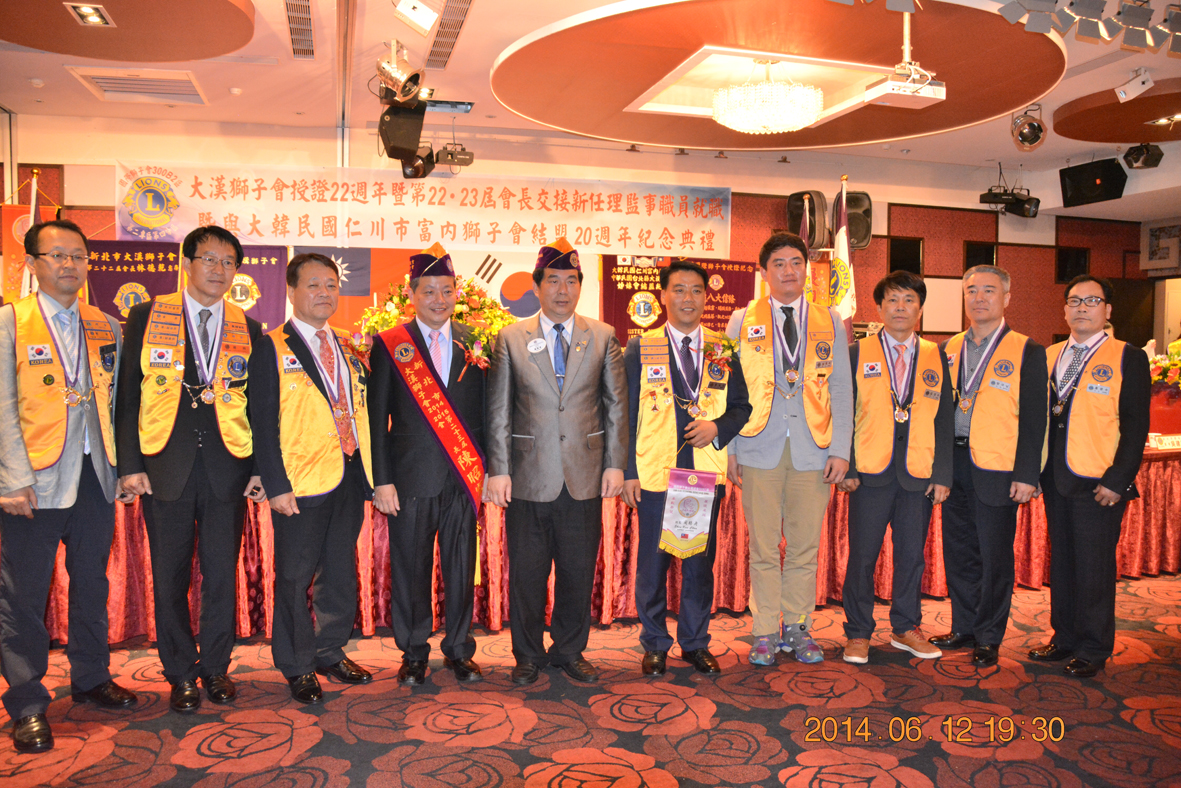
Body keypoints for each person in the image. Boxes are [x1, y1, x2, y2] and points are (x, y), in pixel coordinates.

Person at [116, 225, 265, 713]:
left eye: (228, 262)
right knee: (170, 577)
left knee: (221, 576)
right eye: (209, 259)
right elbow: (128, 395)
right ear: (186, 263)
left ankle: (216, 668)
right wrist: (130, 464)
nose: (219, 270)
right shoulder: (146, 316)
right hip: (165, 467)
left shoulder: (248, 327)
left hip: (227, 469)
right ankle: (180, 672)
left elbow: (259, 404)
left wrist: (258, 468)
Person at [0, 220, 137, 753]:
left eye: (78, 256)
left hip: (94, 477)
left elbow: (119, 404)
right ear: (33, 263)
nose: (69, 265)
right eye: (56, 255)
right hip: (32, 483)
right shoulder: (11, 322)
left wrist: (122, 469)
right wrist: (12, 479)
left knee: (91, 585)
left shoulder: (105, 325)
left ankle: (91, 677)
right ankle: (27, 702)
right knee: (23, 594)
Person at [485, 237, 627, 685]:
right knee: (527, 574)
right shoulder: (510, 338)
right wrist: (499, 469)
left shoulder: (603, 335)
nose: (562, 290)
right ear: (536, 286)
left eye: (571, 281)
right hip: (528, 476)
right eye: (553, 281)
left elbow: (616, 406)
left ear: (581, 286)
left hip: (584, 476)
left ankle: (569, 650)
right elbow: (498, 410)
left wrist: (615, 464)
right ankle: (526, 654)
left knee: (577, 571)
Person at [249, 253, 373, 704]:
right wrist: (275, 484)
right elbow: (261, 421)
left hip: (349, 476)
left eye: (331, 285)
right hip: (299, 483)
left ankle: (329, 650)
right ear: (291, 291)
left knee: (338, 571)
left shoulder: (347, 345)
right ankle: (297, 664)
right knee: (294, 576)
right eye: (314, 285)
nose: (324, 293)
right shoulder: (271, 346)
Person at [725, 232, 853, 666]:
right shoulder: (742, 320)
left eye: (796, 262)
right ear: (764, 272)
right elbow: (729, 391)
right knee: (763, 548)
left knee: (803, 547)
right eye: (778, 263)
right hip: (757, 446)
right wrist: (731, 452)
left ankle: (797, 628)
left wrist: (840, 449)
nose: (788, 271)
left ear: (806, 269)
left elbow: (841, 388)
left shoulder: (829, 319)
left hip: (813, 449)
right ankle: (764, 630)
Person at [622, 260, 751, 676]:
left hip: (703, 474)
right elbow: (624, 414)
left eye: (696, 290)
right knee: (653, 565)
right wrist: (628, 471)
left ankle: (695, 642)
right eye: (678, 289)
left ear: (706, 297)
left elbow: (742, 407)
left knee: (698, 565)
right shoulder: (641, 347)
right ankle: (655, 643)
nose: (688, 298)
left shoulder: (722, 348)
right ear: (663, 295)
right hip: (655, 473)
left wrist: (717, 428)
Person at [368, 244, 486, 686]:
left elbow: (489, 413)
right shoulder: (391, 344)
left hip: (463, 478)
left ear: (457, 294)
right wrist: (382, 481)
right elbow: (376, 419)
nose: (439, 299)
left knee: (461, 569)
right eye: (429, 291)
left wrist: (490, 470)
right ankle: (414, 652)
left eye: (447, 291)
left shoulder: (475, 342)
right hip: (410, 479)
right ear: (412, 294)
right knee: (411, 570)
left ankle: (459, 649)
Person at [1030, 275, 1149, 678]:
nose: (1082, 308)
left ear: (1107, 310)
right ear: (1064, 309)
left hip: (1098, 483)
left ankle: (1094, 647)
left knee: (1094, 568)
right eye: (1075, 301)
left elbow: (1136, 426)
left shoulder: (1127, 356)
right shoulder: (1049, 355)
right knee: (1063, 563)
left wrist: (1118, 480)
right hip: (1055, 478)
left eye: (1092, 301)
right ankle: (1064, 638)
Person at [929, 265, 1046, 666]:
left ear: (1006, 298)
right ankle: (964, 626)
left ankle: (989, 636)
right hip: (954, 464)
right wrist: (938, 468)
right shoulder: (946, 349)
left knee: (994, 556)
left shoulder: (1027, 350)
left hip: (998, 468)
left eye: (989, 291)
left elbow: (1035, 419)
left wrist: (1027, 474)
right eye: (971, 291)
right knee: (959, 551)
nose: (979, 298)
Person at [838, 270, 952, 665]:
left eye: (909, 300)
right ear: (879, 307)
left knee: (911, 557)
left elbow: (945, 419)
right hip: (869, 473)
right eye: (892, 300)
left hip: (918, 474)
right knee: (863, 557)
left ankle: (905, 627)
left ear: (920, 309)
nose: (900, 308)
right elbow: (843, 413)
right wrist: (848, 465)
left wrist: (943, 474)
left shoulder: (938, 355)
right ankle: (858, 632)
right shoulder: (856, 352)